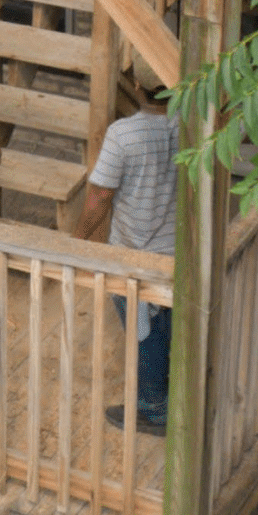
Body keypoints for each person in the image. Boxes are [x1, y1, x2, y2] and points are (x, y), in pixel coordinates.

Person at [80, 98, 178, 433]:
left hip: (132, 258)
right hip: (178, 252)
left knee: (144, 333)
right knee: (167, 324)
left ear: (136, 85)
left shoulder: (123, 133)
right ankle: (179, 394)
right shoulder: (196, 123)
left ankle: (154, 409)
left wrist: (78, 238)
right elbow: (254, 128)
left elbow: (100, 195)